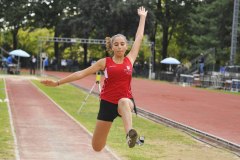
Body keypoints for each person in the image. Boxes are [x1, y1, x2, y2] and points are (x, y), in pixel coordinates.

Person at [41, 6, 148, 151]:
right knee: (97, 147)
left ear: (126, 46)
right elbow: (81, 73)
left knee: (123, 101)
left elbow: (139, 37)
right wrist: (57, 83)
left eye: (122, 44)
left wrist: (142, 17)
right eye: (116, 44)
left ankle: (130, 135)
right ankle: (111, 138)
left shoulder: (130, 59)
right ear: (111, 47)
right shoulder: (104, 62)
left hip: (125, 102)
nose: (119, 47)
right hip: (107, 104)